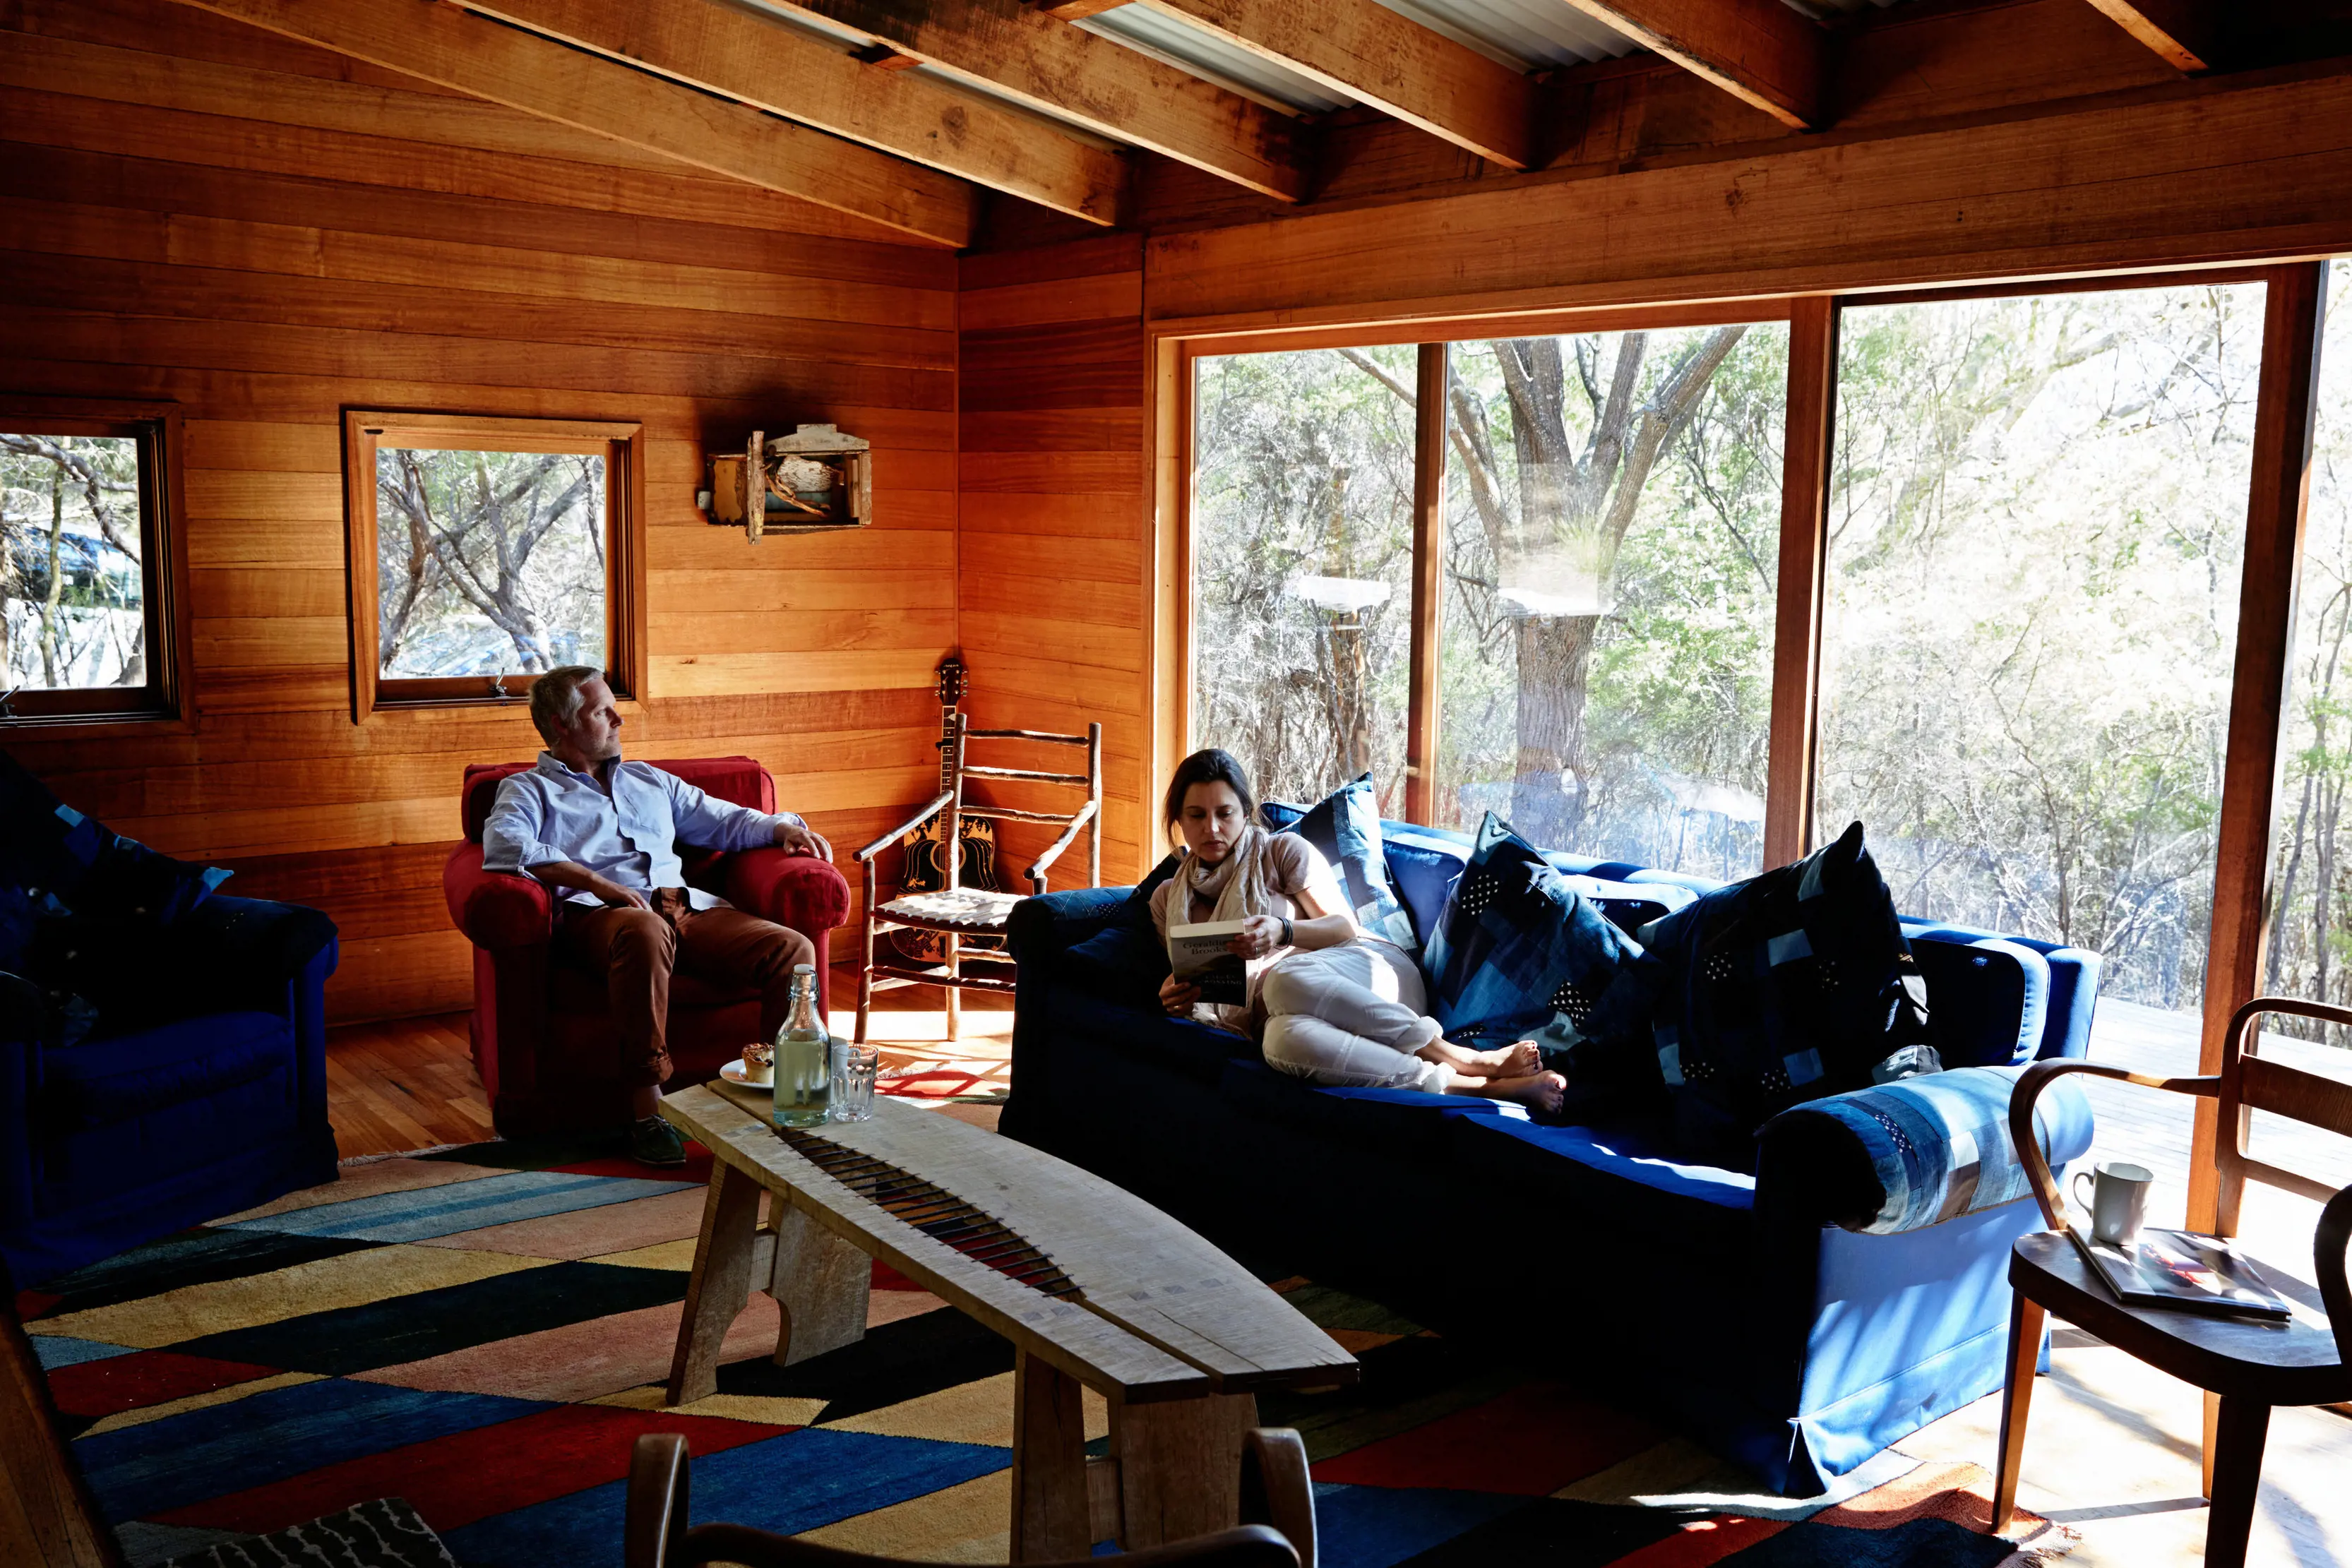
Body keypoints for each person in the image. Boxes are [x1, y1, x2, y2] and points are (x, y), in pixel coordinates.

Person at [482, 666, 833, 1167]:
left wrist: (782, 829)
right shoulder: (528, 789)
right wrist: (597, 883)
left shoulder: (648, 780)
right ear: (562, 724)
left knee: (792, 950)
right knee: (643, 930)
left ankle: (789, 1095)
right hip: (600, 915)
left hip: (682, 906)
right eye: (602, 711)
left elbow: (722, 819)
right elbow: (506, 845)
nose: (618, 719)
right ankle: (647, 1110)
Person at [1151, 749, 1565, 1111]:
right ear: (1179, 820)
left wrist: (1282, 931)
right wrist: (1175, 994)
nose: (1212, 828)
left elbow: (1343, 928)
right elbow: (1196, 977)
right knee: (1279, 1043)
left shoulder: (1279, 853)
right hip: (1284, 1016)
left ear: (1245, 812)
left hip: (1371, 974)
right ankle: (1476, 1088)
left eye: (1224, 814)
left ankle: (1463, 1057)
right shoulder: (1169, 899)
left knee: (1282, 978)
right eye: (1197, 815)